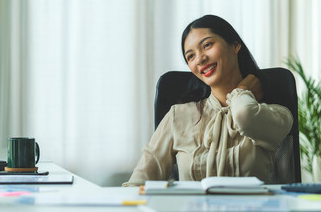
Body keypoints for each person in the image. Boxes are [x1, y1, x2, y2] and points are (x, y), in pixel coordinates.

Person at [122, 15, 293, 186]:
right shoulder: (178, 116)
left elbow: (245, 114)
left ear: (235, 45)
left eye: (207, 45)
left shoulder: (276, 114)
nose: (200, 59)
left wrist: (241, 92)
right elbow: (137, 183)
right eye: (190, 56)